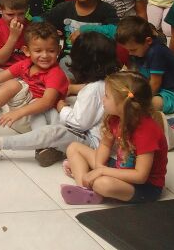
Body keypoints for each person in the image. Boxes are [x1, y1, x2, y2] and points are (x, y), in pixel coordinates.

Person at [0, 32, 120, 167]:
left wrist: (62, 108)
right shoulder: (103, 83)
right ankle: (46, 147)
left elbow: (80, 124)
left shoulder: (92, 89)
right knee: (42, 110)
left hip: (91, 142)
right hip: (85, 134)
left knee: (52, 132)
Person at [62, 71, 167, 205]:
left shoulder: (146, 131)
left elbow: (140, 176)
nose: (102, 99)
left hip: (145, 187)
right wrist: (99, 166)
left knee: (102, 183)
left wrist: (102, 171)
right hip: (120, 168)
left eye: (106, 96)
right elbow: (105, 145)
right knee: (74, 148)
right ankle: (85, 189)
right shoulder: (115, 118)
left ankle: (91, 184)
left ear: (123, 103)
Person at [0, 21, 68, 135]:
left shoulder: (55, 73)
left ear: (59, 50)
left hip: (34, 116)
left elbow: (47, 102)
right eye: (38, 51)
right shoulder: (26, 64)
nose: (44, 55)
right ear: (27, 51)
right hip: (14, 115)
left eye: (51, 51)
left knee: (14, 84)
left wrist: (18, 113)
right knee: (0, 78)